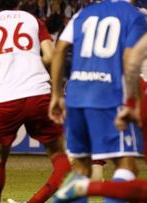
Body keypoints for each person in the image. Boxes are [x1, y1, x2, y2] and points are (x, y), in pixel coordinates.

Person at [0, 1, 71, 202]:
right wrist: (56, 94)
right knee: (60, 158)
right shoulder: (33, 20)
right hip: (39, 93)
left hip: (5, 99)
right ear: (18, 2)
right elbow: (52, 56)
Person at [48, 0, 147, 202]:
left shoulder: (84, 14)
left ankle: (79, 189)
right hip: (109, 95)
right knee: (126, 166)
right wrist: (132, 101)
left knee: (81, 167)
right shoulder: (133, 15)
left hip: (76, 96)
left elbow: (58, 51)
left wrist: (56, 94)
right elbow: (130, 59)